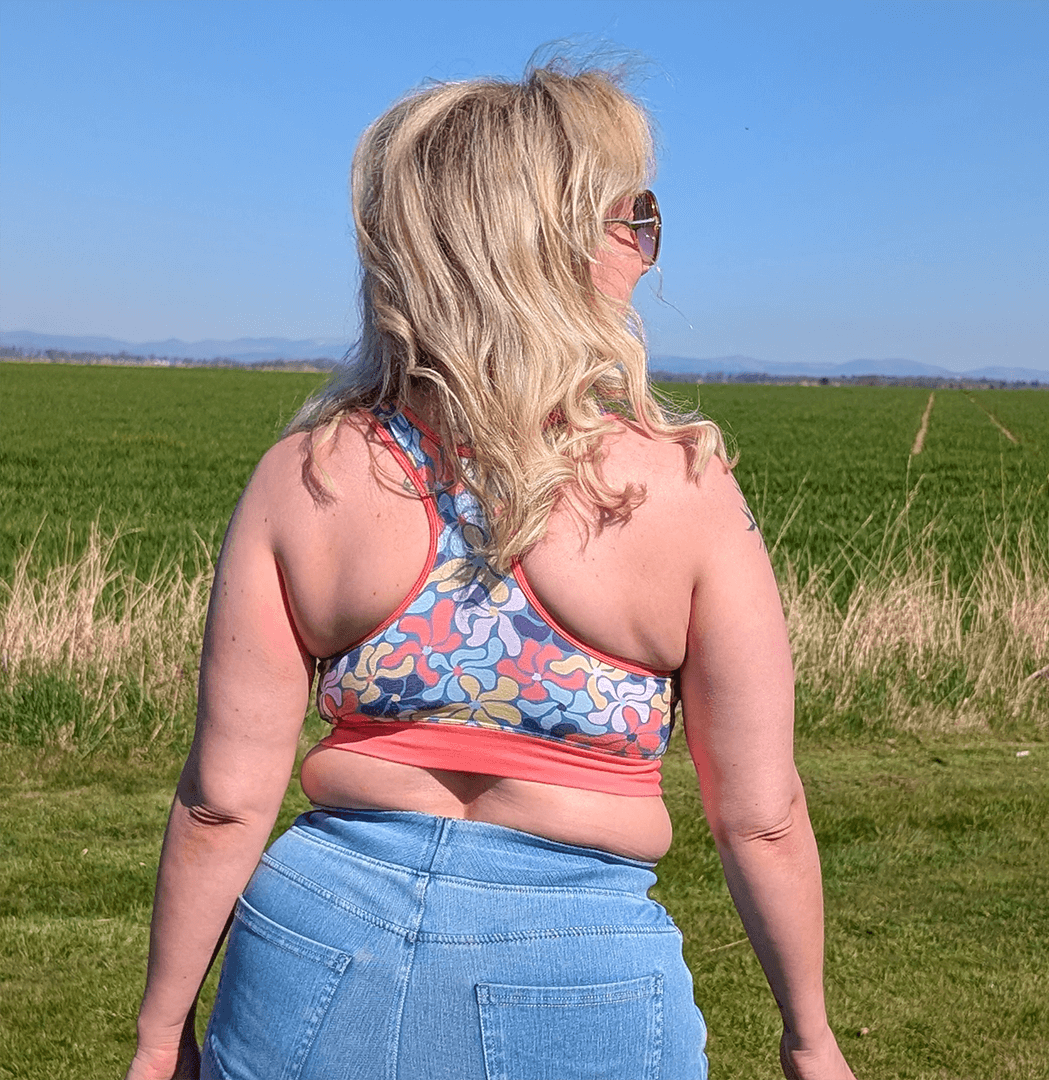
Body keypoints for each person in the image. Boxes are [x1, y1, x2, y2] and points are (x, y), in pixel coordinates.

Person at [127, 59, 856, 1080]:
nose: (645, 253)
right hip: (579, 976)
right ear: (543, 246)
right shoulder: (681, 493)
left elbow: (222, 802)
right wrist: (810, 1036)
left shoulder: (310, 476)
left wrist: (161, 1037)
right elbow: (761, 815)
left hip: (311, 946)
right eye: (630, 216)